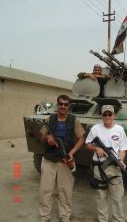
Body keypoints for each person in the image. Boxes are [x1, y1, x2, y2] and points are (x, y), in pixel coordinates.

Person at [39, 94, 85, 222]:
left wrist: (72, 153)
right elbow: (42, 136)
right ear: (57, 105)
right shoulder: (50, 119)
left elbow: (81, 139)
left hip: (66, 160)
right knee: (45, 190)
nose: (63, 106)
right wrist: (48, 138)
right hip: (49, 159)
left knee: (65, 191)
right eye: (60, 104)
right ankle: (45, 216)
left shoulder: (73, 120)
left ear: (68, 106)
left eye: (65, 104)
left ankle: (64, 216)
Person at [85, 105, 127, 222]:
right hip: (99, 168)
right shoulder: (95, 129)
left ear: (114, 115)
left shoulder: (120, 129)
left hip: (115, 168)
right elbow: (88, 144)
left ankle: (118, 220)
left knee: (117, 198)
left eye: (110, 114)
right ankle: (102, 220)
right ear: (102, 116)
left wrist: (120, 161)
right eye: (105, 114)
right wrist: (96, 149)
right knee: (101, 197)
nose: (107, 116)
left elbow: (123, 148)